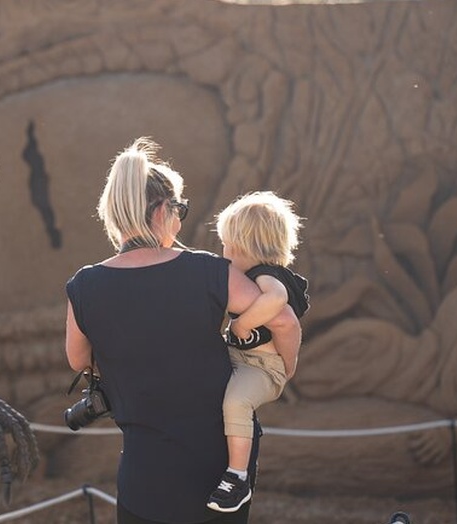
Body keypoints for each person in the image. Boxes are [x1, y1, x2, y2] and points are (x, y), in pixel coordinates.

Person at [65, 138, 302, 524]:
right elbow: (284, 320)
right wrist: (284, 369)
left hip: (144, 469)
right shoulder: (208, 271)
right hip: (219, 470)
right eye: (180, 211)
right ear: (162, 210)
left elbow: (79, 360)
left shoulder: (84, 286)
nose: (179, 223)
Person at [206, 191, 310, 513]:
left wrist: (241, 325)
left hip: (261, 367)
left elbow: (277, 302)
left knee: (236, 401)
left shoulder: (267, 275)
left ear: (242, 245)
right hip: (242, 359)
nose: (223, 252)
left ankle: (237, 478)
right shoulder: (251, 275)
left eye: (226, 244)